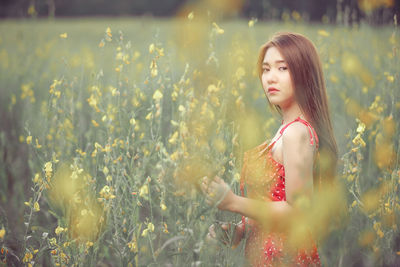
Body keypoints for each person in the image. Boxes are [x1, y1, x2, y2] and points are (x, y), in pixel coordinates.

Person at [201, 32, 338, 266]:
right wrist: (239, 231)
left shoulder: (297, 133)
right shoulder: (285, 131)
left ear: (304, 74)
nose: (270, 78)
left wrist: (232, 202)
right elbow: (272, 201)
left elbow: (299, 212)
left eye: (282, 68)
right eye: (265, 69)